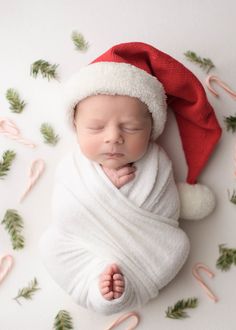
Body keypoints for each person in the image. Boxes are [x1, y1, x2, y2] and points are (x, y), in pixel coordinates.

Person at [39, 42, 221, 315]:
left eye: (131, 127)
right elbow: (65, 213)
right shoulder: (73, 167)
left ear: (151, 130)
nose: (113, 136)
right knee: (51, 245)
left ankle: (117, 293)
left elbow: (167, 209)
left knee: (178, 246)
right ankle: (101, 292)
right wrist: (103, 190)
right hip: (82, 245)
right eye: (96, 127)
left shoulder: (157, 163)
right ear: (75, 128)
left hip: (146, 249)